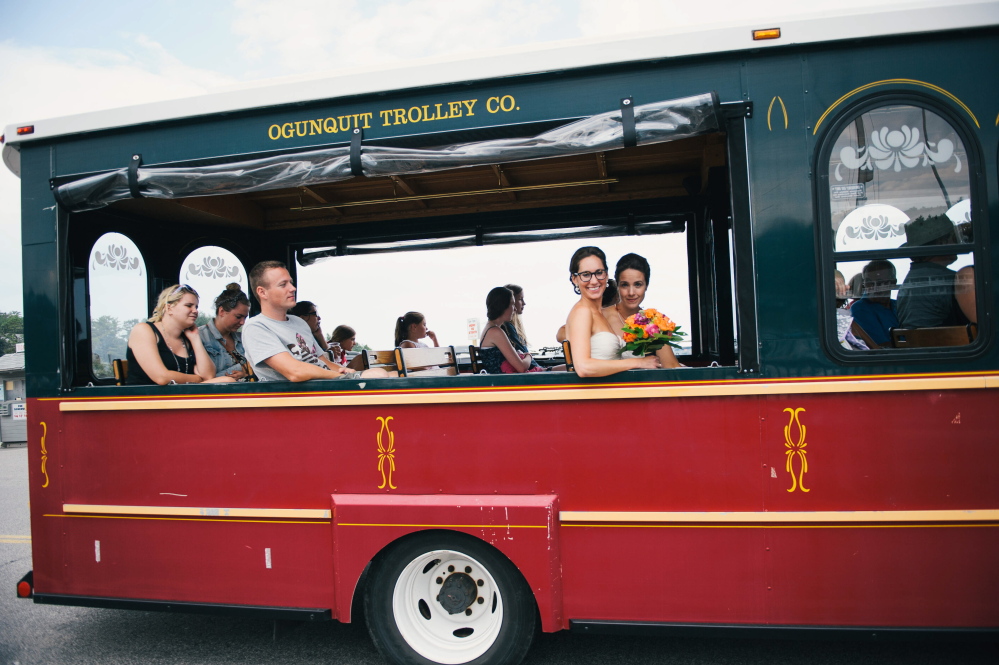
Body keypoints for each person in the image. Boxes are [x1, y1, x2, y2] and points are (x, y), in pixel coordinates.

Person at [242, 261, 388, 381]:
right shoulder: (256, 328)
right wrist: (344, 377)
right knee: (377, 375)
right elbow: (294, 372)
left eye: (291, 283)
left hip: (324, 387)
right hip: (296, 399)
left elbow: (321, 361)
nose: (292, 288)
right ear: (262, 292)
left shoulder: (298, 323)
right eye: (283, 284)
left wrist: (343, 370)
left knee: (384, 374)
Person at [563, 246, 660, 377]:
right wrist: (638, 362)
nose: (594, 280)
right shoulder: (582, 311)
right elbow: (583, 367)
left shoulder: (598, 313)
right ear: (575, 279)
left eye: (599, 272)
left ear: (607, 275)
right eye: (585, 275)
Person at [126, 284, 234, 385]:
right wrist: (196, 379)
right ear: (169, 308)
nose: (195, 311)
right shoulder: (144, 330)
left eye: (196, 307)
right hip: (146, 399)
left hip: (178, 397)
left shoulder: (186, 338)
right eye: (189, 306)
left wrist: (195, 338)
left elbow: (208, 376)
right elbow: (161, 377)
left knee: (228, 380)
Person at [601, 253, 682, 368]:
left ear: (646, 286)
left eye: (638, 285)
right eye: (625, 285)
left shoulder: (653, 322)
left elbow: (672, 367)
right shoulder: (602, 316)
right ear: (617, 286)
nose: (631, 292)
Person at [897, 215, 969, 328]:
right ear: (941, 243)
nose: (958, 243)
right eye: (954, 238)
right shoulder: (954, 280)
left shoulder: (908, 283)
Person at [479, 287, 545, 373]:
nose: (515, 309)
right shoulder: (495, 331)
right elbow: (521, 367)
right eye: (512, 304)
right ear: (503, 306)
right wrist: (528, 356)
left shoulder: (491, 329)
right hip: (507, 383)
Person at [199, 282, 251, 379]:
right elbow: (204, 377)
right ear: (221, 311)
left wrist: (246, 374)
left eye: (245, 318)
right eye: (238, 317)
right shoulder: (199, 336)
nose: (242, 322)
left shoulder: (243, 338)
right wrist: (242, 369)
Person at [849, 260, 899, 348]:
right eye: (869, 283)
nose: (874, 287)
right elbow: (882, 346)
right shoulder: (860, 309)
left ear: (893, 283)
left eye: (880, 283)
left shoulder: (898, 305)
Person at [502, 284, 530, 354]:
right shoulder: (507, 327)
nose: (524, 303)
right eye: (520, 299)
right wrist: (529, 356)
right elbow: (522, 355)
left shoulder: (511, 326)